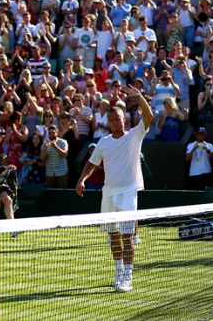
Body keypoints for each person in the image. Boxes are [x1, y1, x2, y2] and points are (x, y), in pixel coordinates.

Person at [75, 84, 153, 293]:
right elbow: (91, 164)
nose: (115, 122)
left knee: (127, 236)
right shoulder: (103, 142)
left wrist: (139, 97)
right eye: (112, 120)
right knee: (114, 236)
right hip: (108, 193)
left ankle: (127, 276)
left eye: (118, 118)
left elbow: (149, 117)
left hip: (128, 194)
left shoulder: (135, 136)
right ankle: (118, 271)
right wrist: (82, 180)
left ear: (124, 119)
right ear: (108, 123)